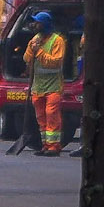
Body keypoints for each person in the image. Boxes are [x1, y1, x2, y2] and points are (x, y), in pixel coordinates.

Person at [23, 10, 70, 155]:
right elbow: (26, 59)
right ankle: (45, 145)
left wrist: (40, 52)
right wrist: (32, 49)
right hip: (38, 86)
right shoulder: (35, 40)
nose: (34, 25)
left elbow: (56, 62)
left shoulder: (57, 41)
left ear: (44, 24)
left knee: (52, 114)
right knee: (41, 116)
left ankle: (54, 146)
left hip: (53, 85)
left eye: (37, 22)